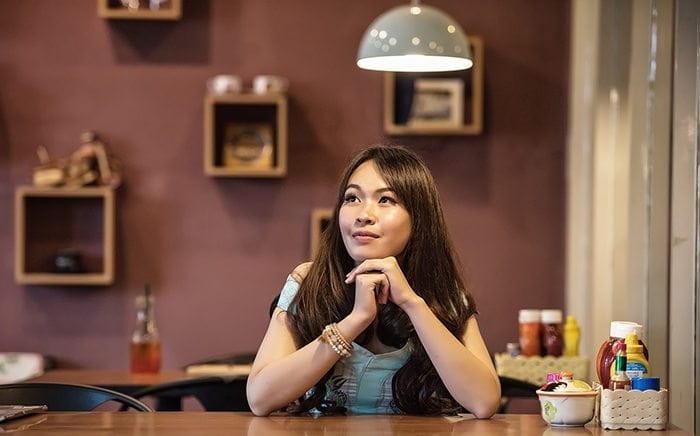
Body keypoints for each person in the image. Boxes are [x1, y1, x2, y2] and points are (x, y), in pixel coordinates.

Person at [246, 145, 500, 417]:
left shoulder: (444, 293)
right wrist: (355, 320)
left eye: (386, 200)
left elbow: (483, 402)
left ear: (419, 218)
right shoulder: (307, 282)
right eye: (352, 198)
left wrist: (412, 304)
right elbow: (260, 398)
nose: (363, 214)